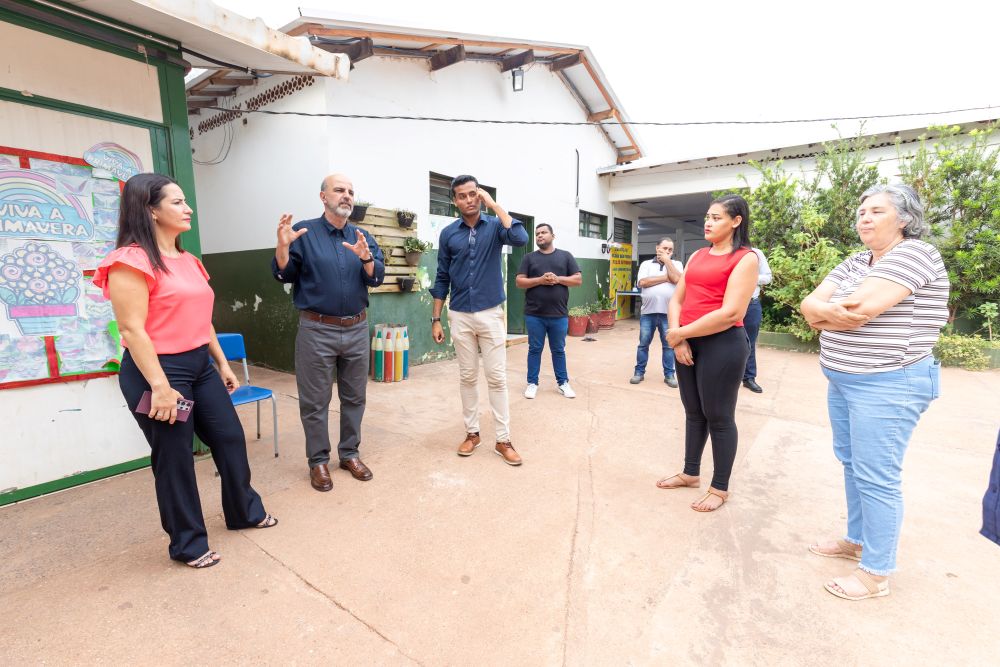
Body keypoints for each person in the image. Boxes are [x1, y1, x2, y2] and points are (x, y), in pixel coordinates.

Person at [93, 173, 276, 570]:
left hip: (198, 365)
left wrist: (222, 363)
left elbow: (202, 318)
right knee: (175, 458)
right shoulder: (131, 260)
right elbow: (130, 329)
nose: (187, 207)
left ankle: (243, 511)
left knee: (228, 437)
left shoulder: (189, 261)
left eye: (184, 201)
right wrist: (159, 386)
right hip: (157, 372)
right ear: (150, 210)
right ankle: (188, 543)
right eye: (176, 202)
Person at [800, 184, 948, 601]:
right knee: (851, 463)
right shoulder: (856, 260)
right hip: (844, 379)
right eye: (861, 211)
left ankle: (876, 573)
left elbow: (858, 313)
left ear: (903, 219)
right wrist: (818, 312)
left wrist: (825, 314)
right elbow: (809, 304)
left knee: (877, 475)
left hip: (889, 383)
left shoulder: (915, 253)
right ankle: (857, 540)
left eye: (876, 211)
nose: (864, 217)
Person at [272, 174, 385, 491]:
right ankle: (318, 462)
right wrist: (283, 247)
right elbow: (284, 272)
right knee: (314, 401)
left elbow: (376, 277)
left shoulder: (363, 236)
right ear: (323, 197)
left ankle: (349, 453)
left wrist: (365, 258)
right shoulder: (304, 234)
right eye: (339, 190)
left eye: (351, 191)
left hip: (357, 328)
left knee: (355, 398)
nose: (347, 195)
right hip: (316, 329)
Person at [657, 194, 759, 512]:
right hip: (688, 341)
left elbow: (731, 312)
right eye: (707, 217)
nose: (708, 222)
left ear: (736, 221)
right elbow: (677, 299)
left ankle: (720, 487)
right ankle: (690, 473)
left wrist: (681, 334)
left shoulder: (746, 258)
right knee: (693, 412)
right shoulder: (699, 255)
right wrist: (679, 340)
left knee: (720, 417)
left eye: (716, 217)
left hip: (723, 343)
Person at [430, 175, 529, 465]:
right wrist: (436, 318)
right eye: (462, 195)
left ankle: (503, 439)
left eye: (473, 194)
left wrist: (494, 205)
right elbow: (442, 277)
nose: (469, 199)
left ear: (480, 196)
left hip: (489, 312)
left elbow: (521, 238)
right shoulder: (449, 234)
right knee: (467, 376)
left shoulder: (497, 226)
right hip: (459, 314)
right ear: (455, 201)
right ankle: (472, 433)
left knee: (496, 378)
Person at [515, 223, 582, 399]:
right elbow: (519, 282)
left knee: (558, 350)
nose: (540, 236)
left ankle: (563, 383)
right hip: (534, 314)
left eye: (544, 232)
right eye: (537, 233)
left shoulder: (565, 256)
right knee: (534, 349)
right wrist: (540, 280)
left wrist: (557, 278)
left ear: (553, 236)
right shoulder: (529, 258)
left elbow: (578, 280)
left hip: (558, 315)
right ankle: (532, 383)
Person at [630, 237, 683, 388]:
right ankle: (639, 372)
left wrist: (667, 262)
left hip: (669, 315)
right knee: (643, 344)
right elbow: (643, 283)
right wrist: (667, 277)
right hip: (648, 313)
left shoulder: (677, 264)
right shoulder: (646, 264)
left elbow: (678, 279)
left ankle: (669, 375)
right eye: (664, 248)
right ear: (657, 248)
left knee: (668, 346)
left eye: (670, 250)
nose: (667, 252)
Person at [741, 247, 772, 393]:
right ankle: (727, 377)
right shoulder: (726, 252)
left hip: (751, 304)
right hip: (726, 303)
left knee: (749, 342)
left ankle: (749, 378)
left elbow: (767, 277)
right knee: (724, 341)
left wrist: (750, 277)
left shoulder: (755, 253)